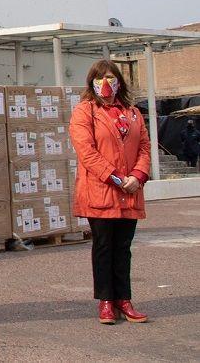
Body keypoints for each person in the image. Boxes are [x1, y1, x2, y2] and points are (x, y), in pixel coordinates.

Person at [69, 59, 150, 325]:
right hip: (101, 191)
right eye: (100, 78)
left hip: (130, 192)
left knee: (123, 248)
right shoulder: (85, 111)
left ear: (120, 81)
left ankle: (124, 299)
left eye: (111, 78)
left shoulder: (133, 113)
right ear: (91, 82)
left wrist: (137, 176)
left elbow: (144, 148)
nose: (105, 84)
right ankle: (105, 300)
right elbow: (87, 152)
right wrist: (117, 178)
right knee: (103, 246)